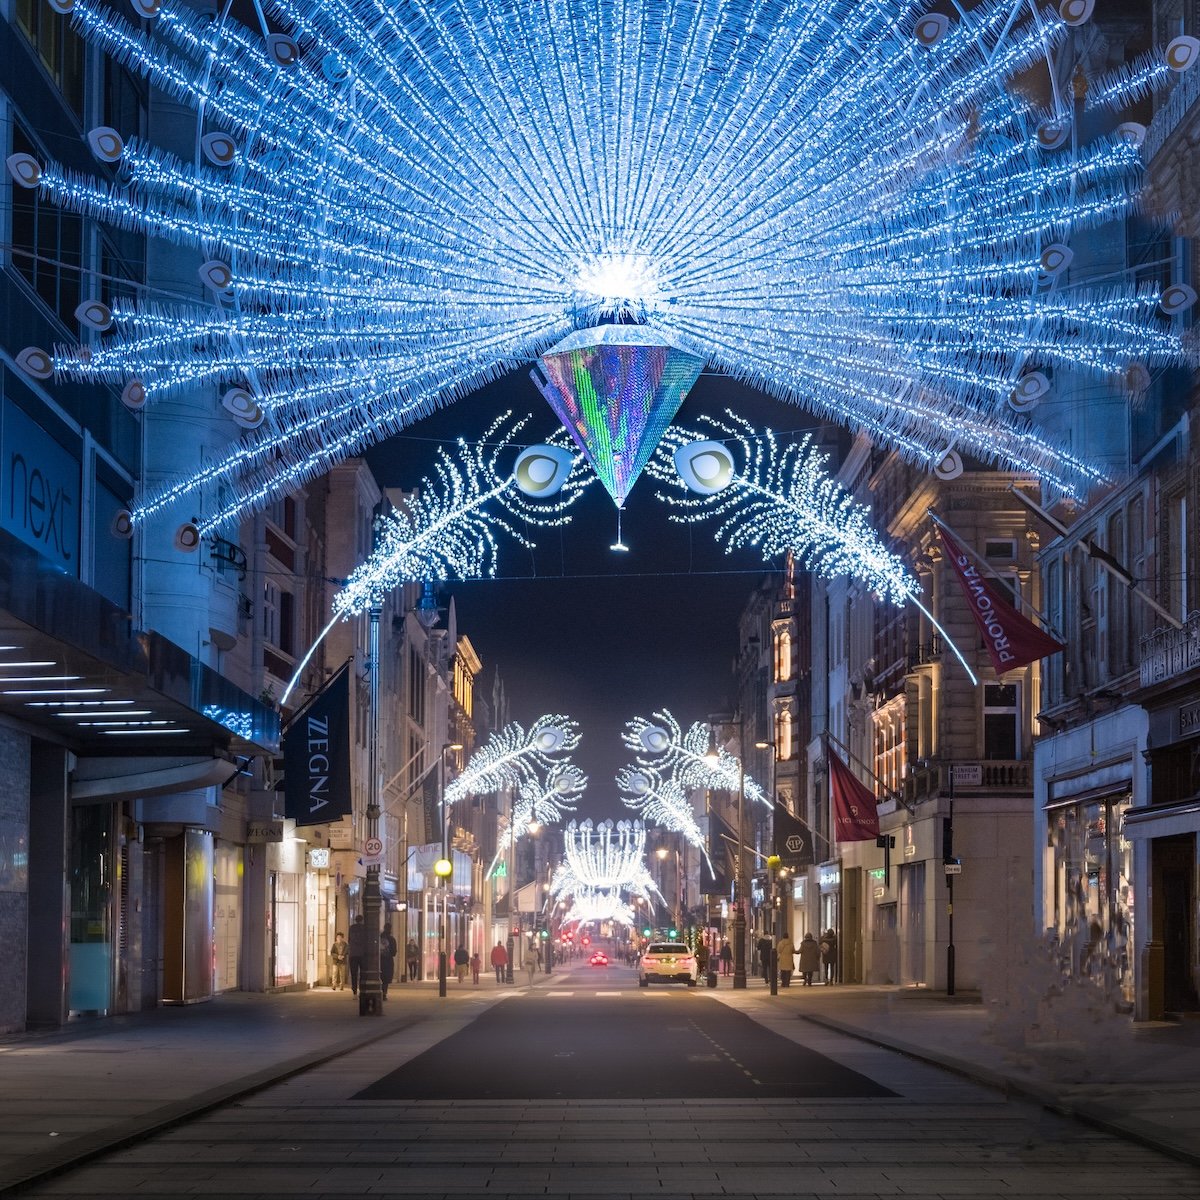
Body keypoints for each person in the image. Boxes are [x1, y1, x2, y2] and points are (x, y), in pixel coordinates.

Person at [347, 914, 366, 996]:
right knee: (363, 973)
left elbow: (349, 940)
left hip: (353, 954)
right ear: (362, 920)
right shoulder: (365, 928)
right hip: (362, 954)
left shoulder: (351, 928)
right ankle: (361, 989)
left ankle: (354, 990)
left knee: (353, 973)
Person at [380, 926, 397, 999]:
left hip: (379, 961)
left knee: (380, 976)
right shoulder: (392, 939)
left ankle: (379, 991)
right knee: (386, 978)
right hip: (388, 960)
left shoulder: (379, 938)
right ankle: (384, 993)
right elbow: (394, 952)